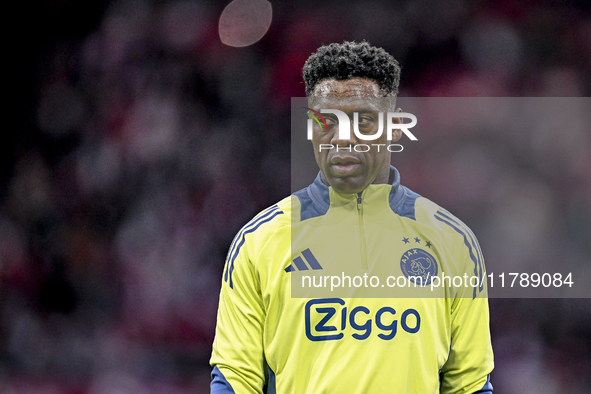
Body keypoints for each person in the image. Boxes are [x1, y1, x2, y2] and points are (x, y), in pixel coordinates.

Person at [210, 41, 494, 393]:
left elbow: (469, 383)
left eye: (363, 120)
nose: (343, 137)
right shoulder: (259, 241)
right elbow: (234, 378)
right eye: (327, 121)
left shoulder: (453, 241)